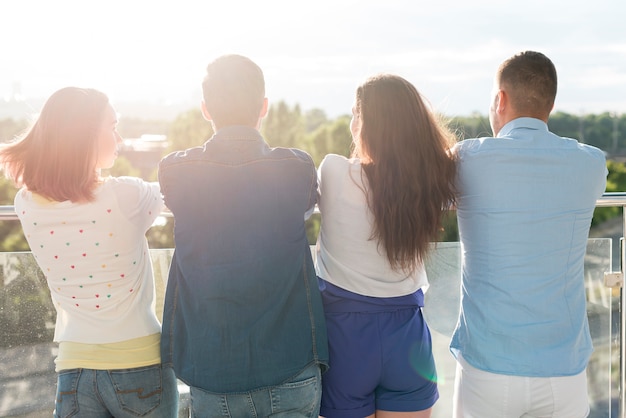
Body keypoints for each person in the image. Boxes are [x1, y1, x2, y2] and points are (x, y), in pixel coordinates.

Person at [158, 54, 329, 417]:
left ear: (206, 109)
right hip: (292, 364)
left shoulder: (176, 170)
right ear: (263, 107)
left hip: (213, 372)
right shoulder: (296, 167)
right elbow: (305, 209)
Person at [0, 87, 179, 417]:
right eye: (112, 127)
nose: (120, 139)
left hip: (74, 370)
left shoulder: (25, 204)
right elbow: (177, 192)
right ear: (84, 138)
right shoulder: (126, 195)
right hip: (140, 365)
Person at [450, 51, 608, 417]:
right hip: (563, 373)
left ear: (499, 100)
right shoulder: (590, 163)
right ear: (550, 105)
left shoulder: (467, 159)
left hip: (487, 368)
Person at [315, 74, 457, 418]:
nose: (351, 124)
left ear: (368, 124)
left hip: (344, 337)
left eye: (355, 114)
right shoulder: (433, 181)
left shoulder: (333, 171)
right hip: (407, 335)